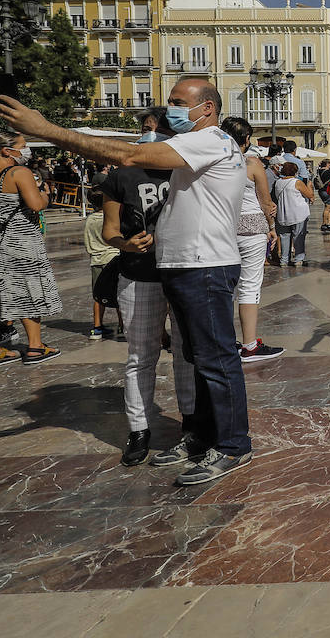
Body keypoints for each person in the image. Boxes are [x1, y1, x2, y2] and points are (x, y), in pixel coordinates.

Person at [0, 79, 257, 487]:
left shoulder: (212, 140)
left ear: (206, 108)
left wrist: (47, 130)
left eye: (177, 103)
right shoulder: (197, 145)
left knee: (215, 359)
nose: (168, 110)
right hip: (181, 266)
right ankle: (201, 439)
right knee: (196, 359)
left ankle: (232, 446)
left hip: (204, 267)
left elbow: (131, 153)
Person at [99, 107, 196, 467]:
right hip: (138, 273)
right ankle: (139, 429)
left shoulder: (187, 169)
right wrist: (125, 244)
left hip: (184, 270)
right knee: (141, 355)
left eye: (159, 130)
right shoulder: (122, 176)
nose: (151, 135)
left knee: (187, 352)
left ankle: (190, 423)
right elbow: (110, 229)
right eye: (145, 129)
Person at [0, 130, 62, 369]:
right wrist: (46, 195)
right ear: (7, 150)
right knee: (27, 289)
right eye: (23, 146)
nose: (27, 150)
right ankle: (36, 346)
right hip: (17, 240)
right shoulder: (19, 172)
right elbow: (36, 204)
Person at [221, 117, 284, 364]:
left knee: (224, 288)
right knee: (249, 286)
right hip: (253, 229)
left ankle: (225, 342)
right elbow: (265, 202)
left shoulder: (214, 163)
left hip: (223, 230)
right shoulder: (251, 163)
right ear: (246, 140)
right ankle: (249, 345)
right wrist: (272, 228)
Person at [83, 183, 121, 340]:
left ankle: (97, 327)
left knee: (98, 296)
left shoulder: (90, 220)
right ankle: (122, 326)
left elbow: (87, 241)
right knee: (120, 294)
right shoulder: (111, 218)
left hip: (96, 260)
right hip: (113, 258)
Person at [273, 162, 315, 267]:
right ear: (295, 171)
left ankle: (284, 260)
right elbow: (309, 194)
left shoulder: (278, 182)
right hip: (298, 213)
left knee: (284, 237)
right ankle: (298, 259)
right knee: (298, 237)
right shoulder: (296, 182)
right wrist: (309, 185)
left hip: (283, 213)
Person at [316, 159, 330, 233]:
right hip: (328, 190)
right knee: (328, 207)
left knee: (328, 207)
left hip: (321, 191)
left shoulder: (319, 171)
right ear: (328, 164)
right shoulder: (329, 172)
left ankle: (328, 223)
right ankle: (325, 223)